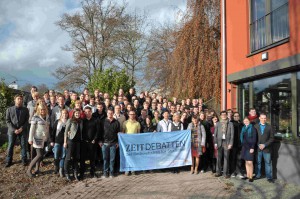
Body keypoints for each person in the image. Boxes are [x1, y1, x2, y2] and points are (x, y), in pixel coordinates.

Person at [5, 94, 30, 167]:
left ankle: (24, 160)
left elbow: (26, 121)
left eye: (21, 99)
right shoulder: (9, 109)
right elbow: (7, 121)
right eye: (18, 99)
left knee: (23, 145)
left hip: (22, 130)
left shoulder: (25, 109)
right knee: (10, 145)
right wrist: (14, 129)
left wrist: (22, 128)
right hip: (12, 131)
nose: (20, 100)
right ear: (15, 100)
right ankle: (8, 161)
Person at [27, 104, 50, 177]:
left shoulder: (47, 117)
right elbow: (32, 129)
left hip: (43, 139)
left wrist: (47, 137)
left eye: (44, 109)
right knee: (39, 154)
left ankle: (37, 169)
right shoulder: (35, 117)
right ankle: (29, 170)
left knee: (40, 155)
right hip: (37, 138)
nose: (43, 111)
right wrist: (30, 139)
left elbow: (47, 128)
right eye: (41, 109)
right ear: (39, 110)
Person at [99, 109, 120, 178]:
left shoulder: (116, 122)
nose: (110, 114)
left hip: (113, 144)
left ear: (113, 113)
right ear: (107, 114)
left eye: (111, 113)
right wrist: (100, 141)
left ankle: (111, 173)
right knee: (105, 159)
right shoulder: (103, 122)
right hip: (104, 144)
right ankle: (105, 172)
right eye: (109, 113)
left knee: (112, 159)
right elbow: (100, 132)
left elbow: (118, 133)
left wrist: (117, 142)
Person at [254, 113, 274, 183]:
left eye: (265, 118)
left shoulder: (269, 127)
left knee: (268, 163)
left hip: (267, 148)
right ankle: (258, 175)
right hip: (258, 148)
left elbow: (272, 138)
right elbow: (253, 137)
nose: (263, 119)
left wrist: (264, 145)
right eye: (262, 118)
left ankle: (269, 177)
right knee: (258, 162)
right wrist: (258, 145)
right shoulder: (255, 126)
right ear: (259, 118)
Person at [80, 106, 100, 179]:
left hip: (92, 142)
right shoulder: (82, 121)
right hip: (84, 142)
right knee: (83, 158)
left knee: (92, 158)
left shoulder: (95, 120)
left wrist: (95, 139)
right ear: (84, 112)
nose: (87, 113)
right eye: (86, 112)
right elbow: (81, 131)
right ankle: (82, 173)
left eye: (89, 112)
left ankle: (92, 172)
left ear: (91, 112)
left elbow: (98, 131)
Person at [64, 109, 83, 181]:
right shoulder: (70, 120)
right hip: (71, 141)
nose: (77, 114)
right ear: (73, 114)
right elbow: (66, 132)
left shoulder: (81, 121)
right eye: (76, 113)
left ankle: (75, 173)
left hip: (78, 141)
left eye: (78, 113)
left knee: (76, 158)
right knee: (68, 158)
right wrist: (65, 142)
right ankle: (67, 173)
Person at [214, 111, 234, 178]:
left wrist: (231, 143)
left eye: (225, 114)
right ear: (220, 116)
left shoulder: (230, 124)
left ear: (226, 115)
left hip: (227, 143)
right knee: (218, 158)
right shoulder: (218, 124)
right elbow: (215, 134)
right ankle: (218, 172)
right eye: (222, 115)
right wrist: (215, 143)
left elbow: (232, 135)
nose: (223, 116)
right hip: (219, 142)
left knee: (226, 158)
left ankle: (226, 173)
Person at [50, 109, 69, 178]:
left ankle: (61, 169)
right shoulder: (57, 122)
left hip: (65, 142)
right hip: (57, 141)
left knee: (63, 156)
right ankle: (56, 167)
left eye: (66, 113)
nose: (65, 115)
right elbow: (53, 132)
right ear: (61, 114)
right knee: (56, 155)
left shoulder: (69, 122)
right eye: (63, 113)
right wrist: (52, 141)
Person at [123, 110, 141, 175]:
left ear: (135, 115)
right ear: (128, 115)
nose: (132, 115)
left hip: (134, 142)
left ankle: (133, 169)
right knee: (127, 155)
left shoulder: (137, 123)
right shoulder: (125, 123)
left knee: (134, 156)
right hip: (126, 142)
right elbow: (123, 132)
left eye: (133, 114)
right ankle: (127, 170)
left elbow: (138, 133)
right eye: (131, 114)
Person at [240, 117, 257, 182]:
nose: (246, 122)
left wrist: (252, 147)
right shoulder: (243, 128)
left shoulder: (252, 128)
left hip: (250, 147)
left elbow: (254, 139)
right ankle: (247, 175)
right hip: (244, 147)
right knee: (246, 161)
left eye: (247, 121)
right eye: (244, 121)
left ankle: (251, 176)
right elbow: (242, 137)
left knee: (250, 162)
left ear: (249, 121)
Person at [230, 112, 245, 178]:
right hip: (233, 144)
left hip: (240, 144)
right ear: (233, 117)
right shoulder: (231, 123)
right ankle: (233, 172)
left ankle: (239, 171)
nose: (236, 117)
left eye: (237, 116)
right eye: (235, 116)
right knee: (233, 158)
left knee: (239, 158)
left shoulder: (241, 124)